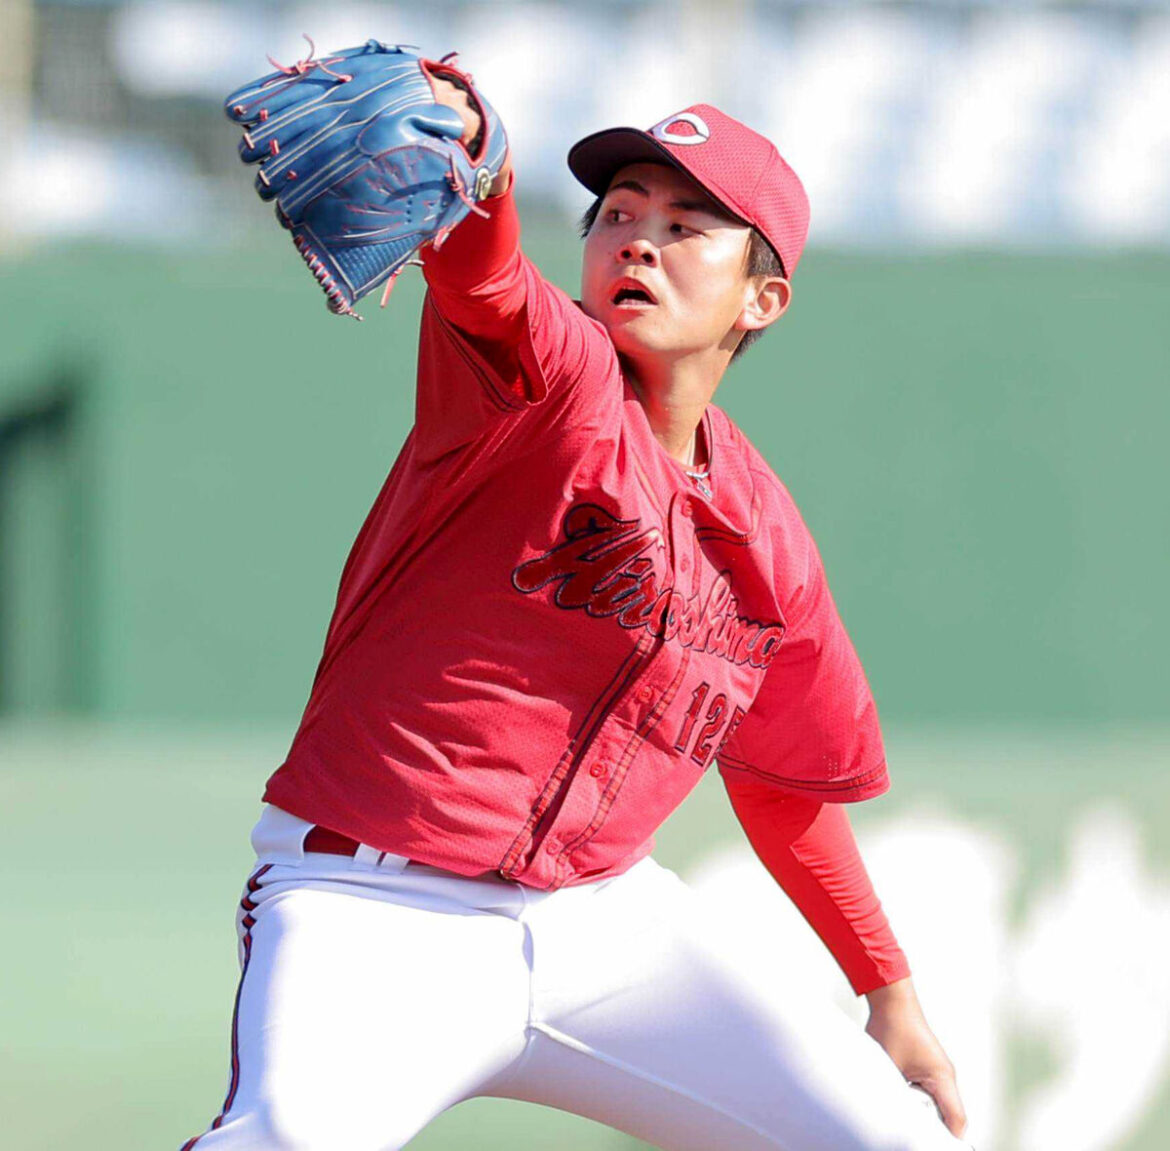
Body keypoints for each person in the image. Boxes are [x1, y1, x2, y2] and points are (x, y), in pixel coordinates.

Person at [182, 59, 972, 1151]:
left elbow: (784, 784)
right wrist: (480, 155)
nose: (638, 238)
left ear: (764, 296)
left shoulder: (767, 537)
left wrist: (888, 990)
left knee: (898, 1142)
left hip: (603, 923)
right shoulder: (544, 378)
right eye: (617, 213)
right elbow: (484, 272)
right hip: (375, 905)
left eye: (688, 224)